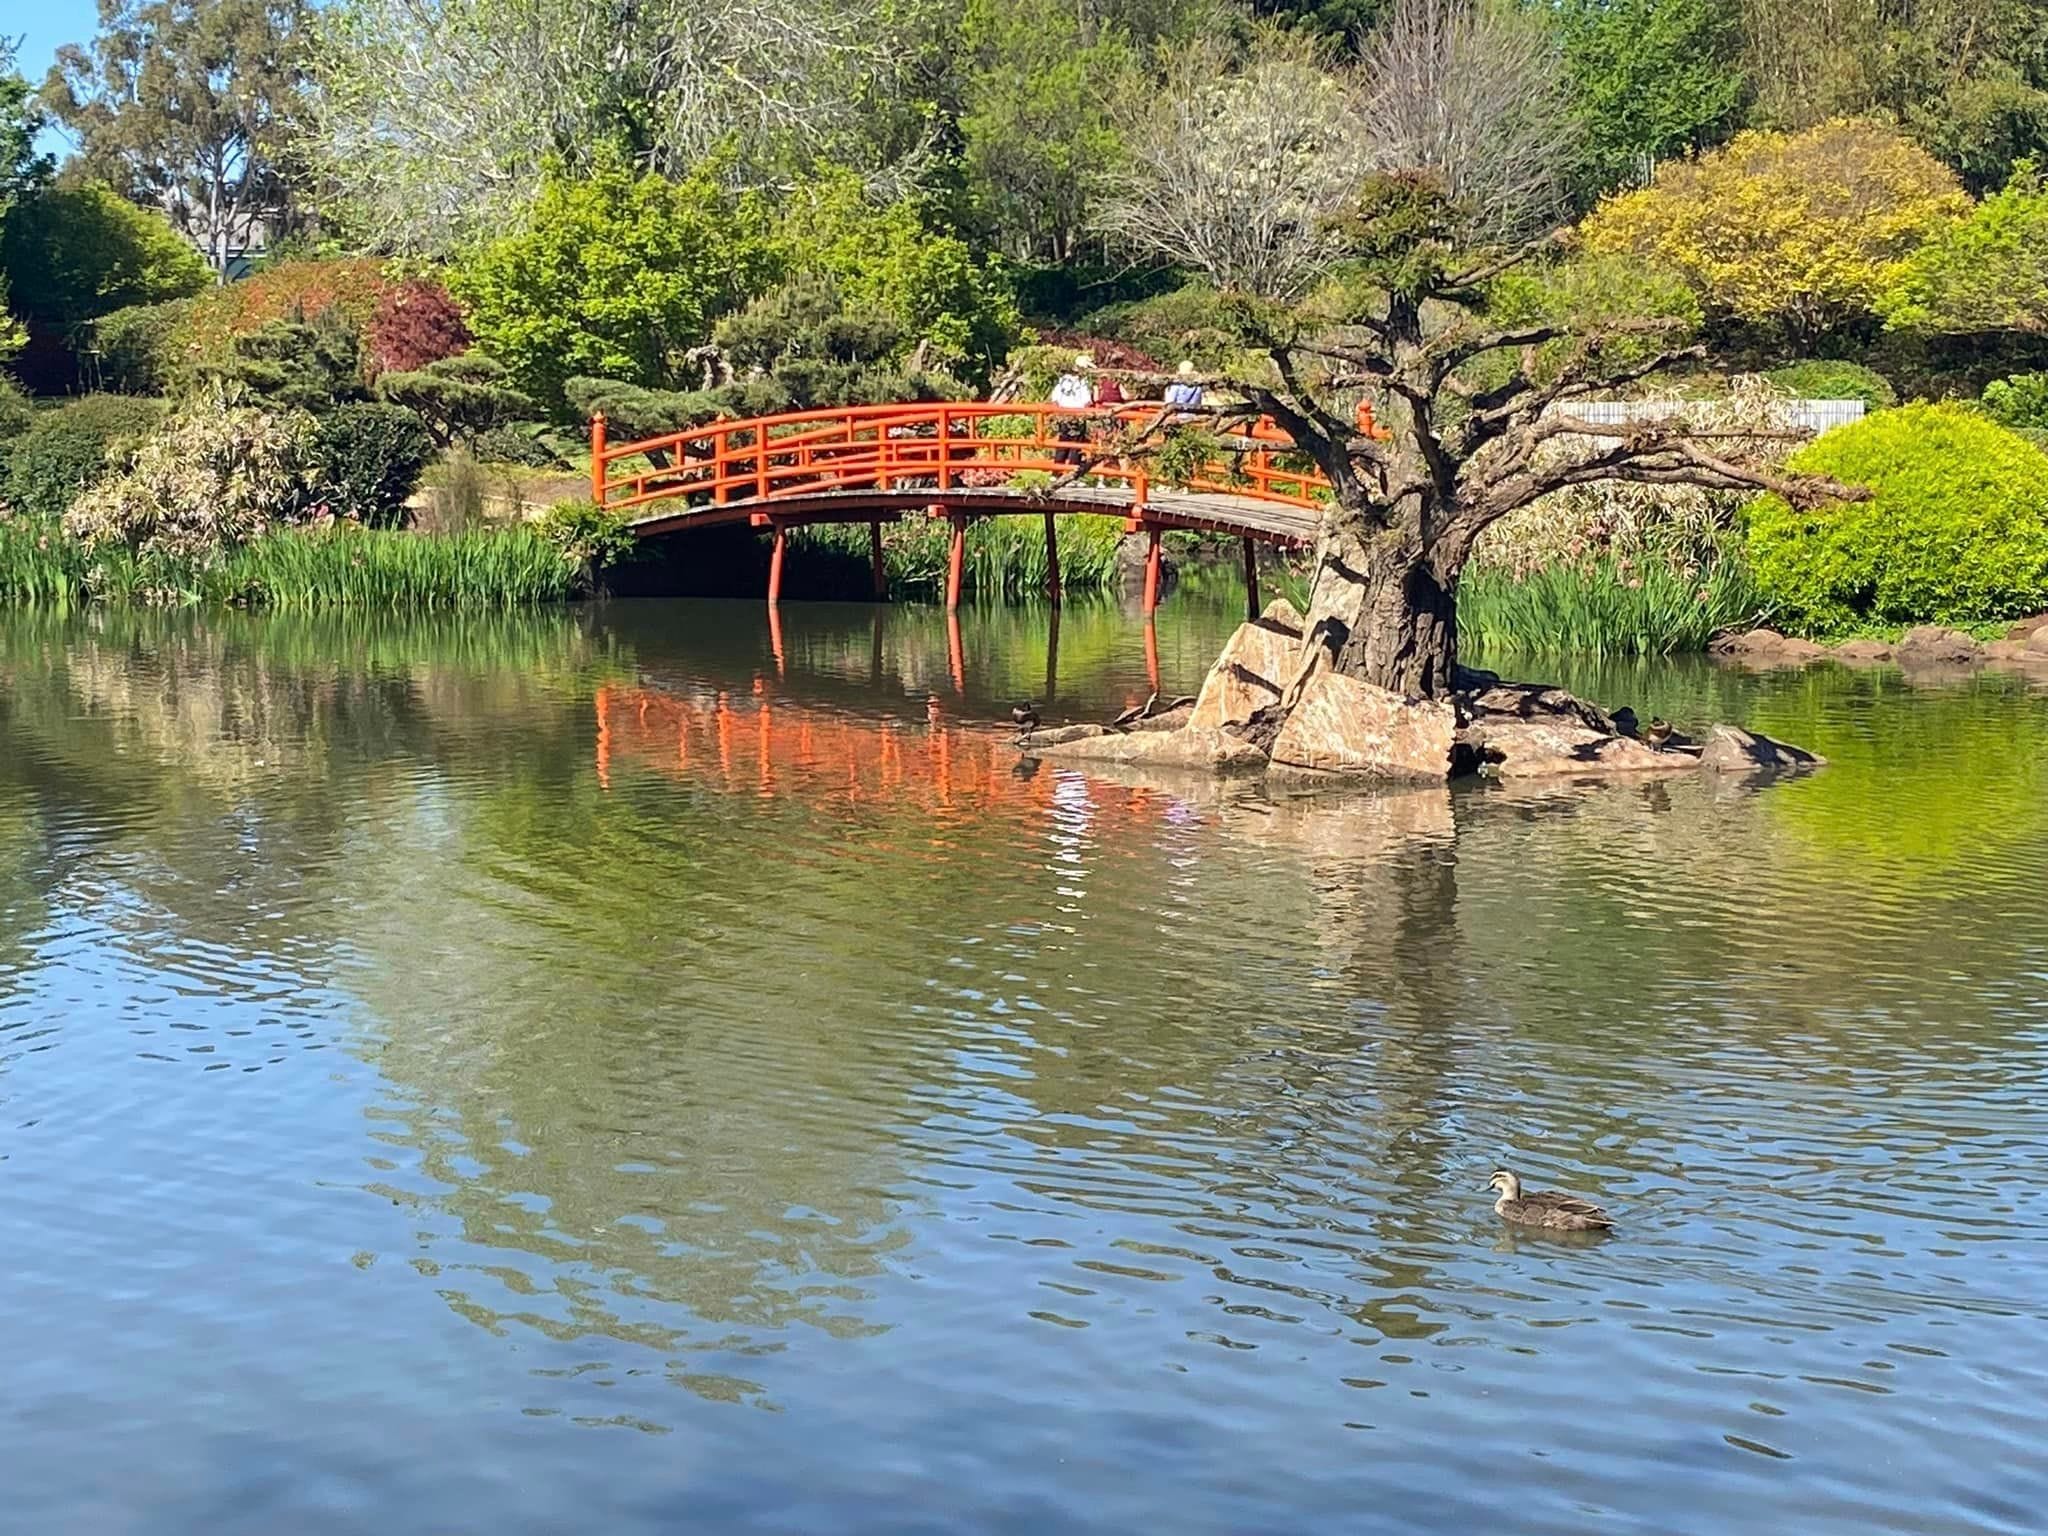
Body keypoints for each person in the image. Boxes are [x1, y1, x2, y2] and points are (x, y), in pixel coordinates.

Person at [1050, 353, 1094, 466]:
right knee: (1076, 445)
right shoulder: (1084, 382)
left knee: (1063, 442)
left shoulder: (1063, 380)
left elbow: (1054, 398)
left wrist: (1058, 412)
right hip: (1077, 415)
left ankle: (1057, 471)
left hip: (1063, 414)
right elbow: (1087, 401)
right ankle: (1073, 473)